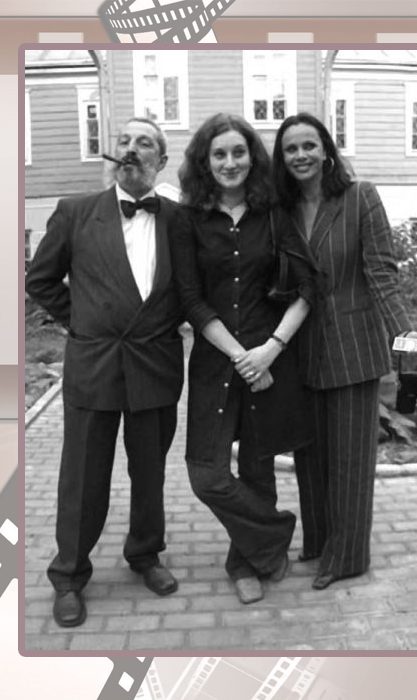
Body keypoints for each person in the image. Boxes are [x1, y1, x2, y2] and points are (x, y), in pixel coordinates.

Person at [25, 117, 184, 627]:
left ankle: (145, 554)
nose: (132, 149)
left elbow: (192, 289)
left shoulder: (178, 220)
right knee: (83, 476)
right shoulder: (75, 212)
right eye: (124, 141)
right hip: (94, 366)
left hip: (154, 364)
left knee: (150, 471)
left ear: (161, 161)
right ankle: (69, 575)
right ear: (113, 153)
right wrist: (83, 322)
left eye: (145, 143)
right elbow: (40, 280)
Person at [169, 113, 319, 604]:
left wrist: (271, 349)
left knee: (258, 469)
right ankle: (276, 532)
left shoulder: (274, 214)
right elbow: (191, 300)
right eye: (219, 154)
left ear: (252, 158)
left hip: (270, 359)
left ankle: (245, 564)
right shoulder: (188, 219)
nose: (230, 162)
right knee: (206, 474)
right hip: (216, 362)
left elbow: (307, 288)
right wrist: (241, 356)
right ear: (205, 161)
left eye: (238, 152)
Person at [272, 111, 417, 590]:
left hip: (354, 349)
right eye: (291, 148)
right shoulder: (281, 209)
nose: (300, 155)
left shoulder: (360, 197)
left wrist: (409, 346)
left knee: (351, 462)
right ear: (282, 158)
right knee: (310, 457)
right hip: (301, 349)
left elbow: (382, 275)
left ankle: (348, 556)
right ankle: (318, 542)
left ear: (326, 150)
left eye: (309, 145)